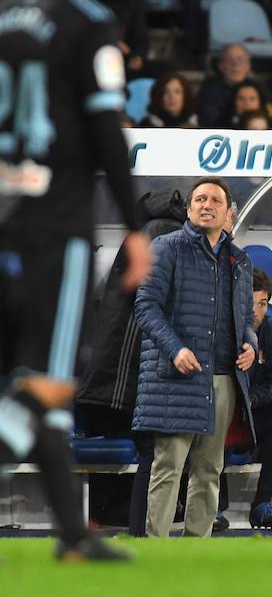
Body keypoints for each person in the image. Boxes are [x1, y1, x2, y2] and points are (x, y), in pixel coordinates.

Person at [0, 0, 151, 561]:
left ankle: (72, 535)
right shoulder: (86, 23)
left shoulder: (6, 21)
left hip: (7, 219)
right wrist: (135, 226)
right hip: (54, 229)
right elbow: (106, 127)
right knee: (49, 387)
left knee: (31, 390)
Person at [133, 177, 257, 538]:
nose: (207, 205)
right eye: (200, 199)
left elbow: (245, 319)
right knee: (168, 467)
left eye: (215, 200)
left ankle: (196, 549)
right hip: (176, 377)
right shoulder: (166, 247)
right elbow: (145, 306)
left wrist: (250, 344)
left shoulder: (240, 260)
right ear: (188, 209)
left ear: (228, 212)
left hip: (224, 378)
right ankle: (156, 548)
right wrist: (175, 349)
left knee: (209, 469)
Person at [74, 189, 186, 537]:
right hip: (139, 363)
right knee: (153, 450)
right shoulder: (166, 233)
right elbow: (158, 302)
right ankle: (142, 530)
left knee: (140, 445)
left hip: (116, 359)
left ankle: (118, 522)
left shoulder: (142, 230)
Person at [216, 269, 272, 532]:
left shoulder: (271, 332)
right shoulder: (222, 330)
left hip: (253, 413)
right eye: (250, 303)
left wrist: (251, 400)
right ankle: (214, 507)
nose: (255, 311)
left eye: (262, 304)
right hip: (224, 411)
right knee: (218, 418)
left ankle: (262, 505)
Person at [196, 44, 254, 128]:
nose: (235, 64)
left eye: (240, 59)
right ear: (220, 65)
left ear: (248, 65)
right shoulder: (209, 90)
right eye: (229, 60)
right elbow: (208, 120)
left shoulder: (257, 89)